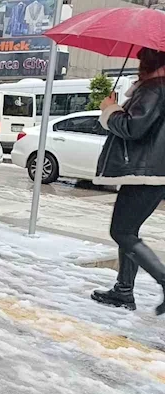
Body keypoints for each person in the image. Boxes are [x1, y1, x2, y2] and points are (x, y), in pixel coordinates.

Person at [92, 47, 165, 315]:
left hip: (146, 173)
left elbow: (133, 128)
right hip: (152, 172)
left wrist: (110, 109)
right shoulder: (156, 88)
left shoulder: (155, 88)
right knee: (128, 231)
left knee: (121, 231)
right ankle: (123, 291)